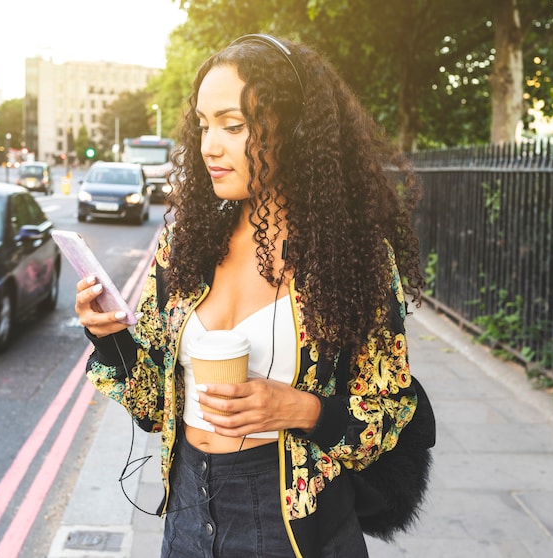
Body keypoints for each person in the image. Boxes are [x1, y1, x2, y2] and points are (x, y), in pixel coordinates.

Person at [74, 34, 425, 558]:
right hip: (189, 509)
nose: (209, 145)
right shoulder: (186, 246)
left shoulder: (353, 259)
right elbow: (153, 405)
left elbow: (388, 414)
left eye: (233, 126)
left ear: (294, 130)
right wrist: (109, 337)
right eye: (204, 125)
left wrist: (302, 409)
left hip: (294, 523)